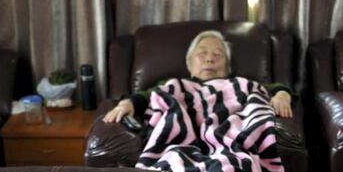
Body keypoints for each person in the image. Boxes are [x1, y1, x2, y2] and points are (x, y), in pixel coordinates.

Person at [103, 30, 294, 122]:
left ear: (227, 67)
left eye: (218, 55)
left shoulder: (238, 83)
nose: (210, 59)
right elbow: (146, 96)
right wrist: (127, 104)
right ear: (189, 63)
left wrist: (282, 95)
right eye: (202, 53)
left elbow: (273, 88)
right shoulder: (174, 84)